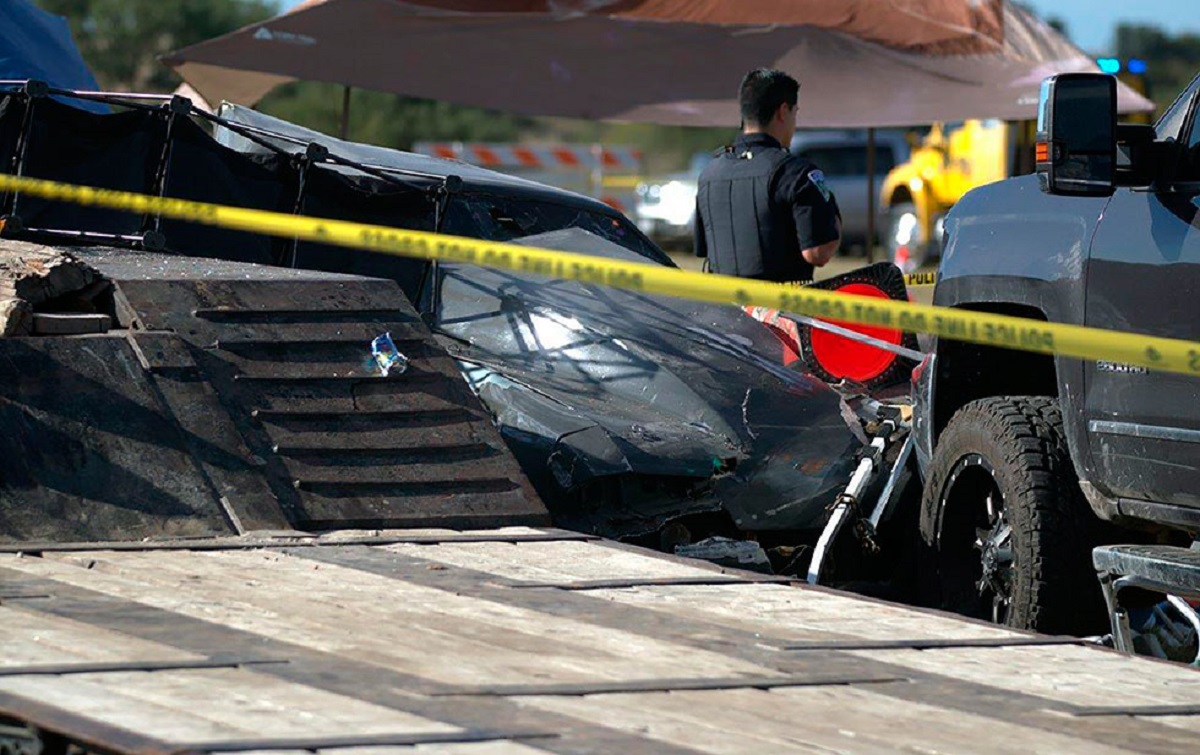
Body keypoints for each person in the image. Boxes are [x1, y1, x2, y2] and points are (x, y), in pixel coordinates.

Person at [694, 68, 840, 283]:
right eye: (795, 112)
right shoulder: (796, 173)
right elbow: (817, 252)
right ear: (783, 111)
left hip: (724, 310)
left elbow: (704, 248)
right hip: (781, 311)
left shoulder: (709, 173)